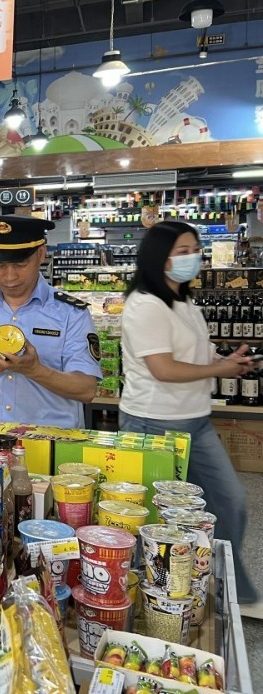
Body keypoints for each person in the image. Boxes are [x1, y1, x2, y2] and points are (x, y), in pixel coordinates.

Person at [118, 220, 258, 603]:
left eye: (193, 249)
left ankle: (218, 578)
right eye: (181, 251)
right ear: (158, 257)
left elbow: (192, 354)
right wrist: (219, 370)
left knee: (228, 501)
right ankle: (168, 588)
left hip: (195, 420)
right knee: (161, 515)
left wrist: (225, 360)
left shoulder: (183, 300)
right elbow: (163, 368)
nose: (191, 257)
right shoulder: (145, 305)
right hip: (154, 422)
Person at [0, 215, 102, 428]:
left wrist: (35, 370)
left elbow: (86, 389)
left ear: (41, 254)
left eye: (20, 264)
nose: (9, 276)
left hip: (51, 442)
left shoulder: (71, 313)